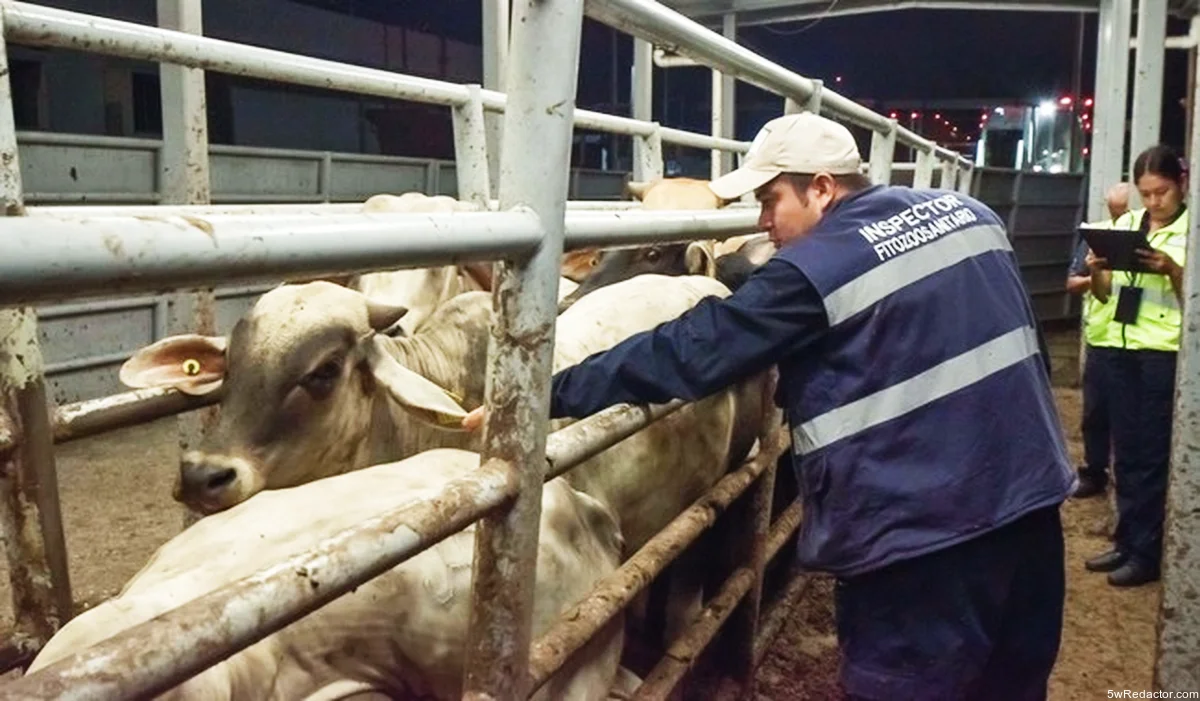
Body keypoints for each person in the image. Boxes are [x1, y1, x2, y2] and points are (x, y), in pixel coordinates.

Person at [464, 112, 1074, 700]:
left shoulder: (816, 269)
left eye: (770, 200)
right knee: (1012, 684)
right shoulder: (972, 215)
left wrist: (541, 396)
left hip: (920, 545)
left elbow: (692, 350)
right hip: (1032, 505)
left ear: (822, 189)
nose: (761, 223)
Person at [1083, 144, 1189, 587]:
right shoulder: (1125, 226)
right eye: (1145, 193)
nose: (1153, 203)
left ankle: (1146, 553)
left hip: (1161, 354)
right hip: (1122, 351)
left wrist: (1171, 269)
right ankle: (1128, 542)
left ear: (1181, 185)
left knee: (1148, 457)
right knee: (1125, 454)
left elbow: (1191, 301)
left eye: (1161, 192)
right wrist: (1097, 268)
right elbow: (1105, 294)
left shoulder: (1190, 234)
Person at [1065, 182, 1131, 499]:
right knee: (1096, 411)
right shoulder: (1097, 234)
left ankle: (1119, 472)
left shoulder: (1147, 234)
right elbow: (1072, 282)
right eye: (1114, 210)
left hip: (1137, 337)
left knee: (1128, 412)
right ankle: (1095, 470)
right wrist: (1096, 276)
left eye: (1124, 210)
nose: (1119, 217)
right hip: (1102, 335)